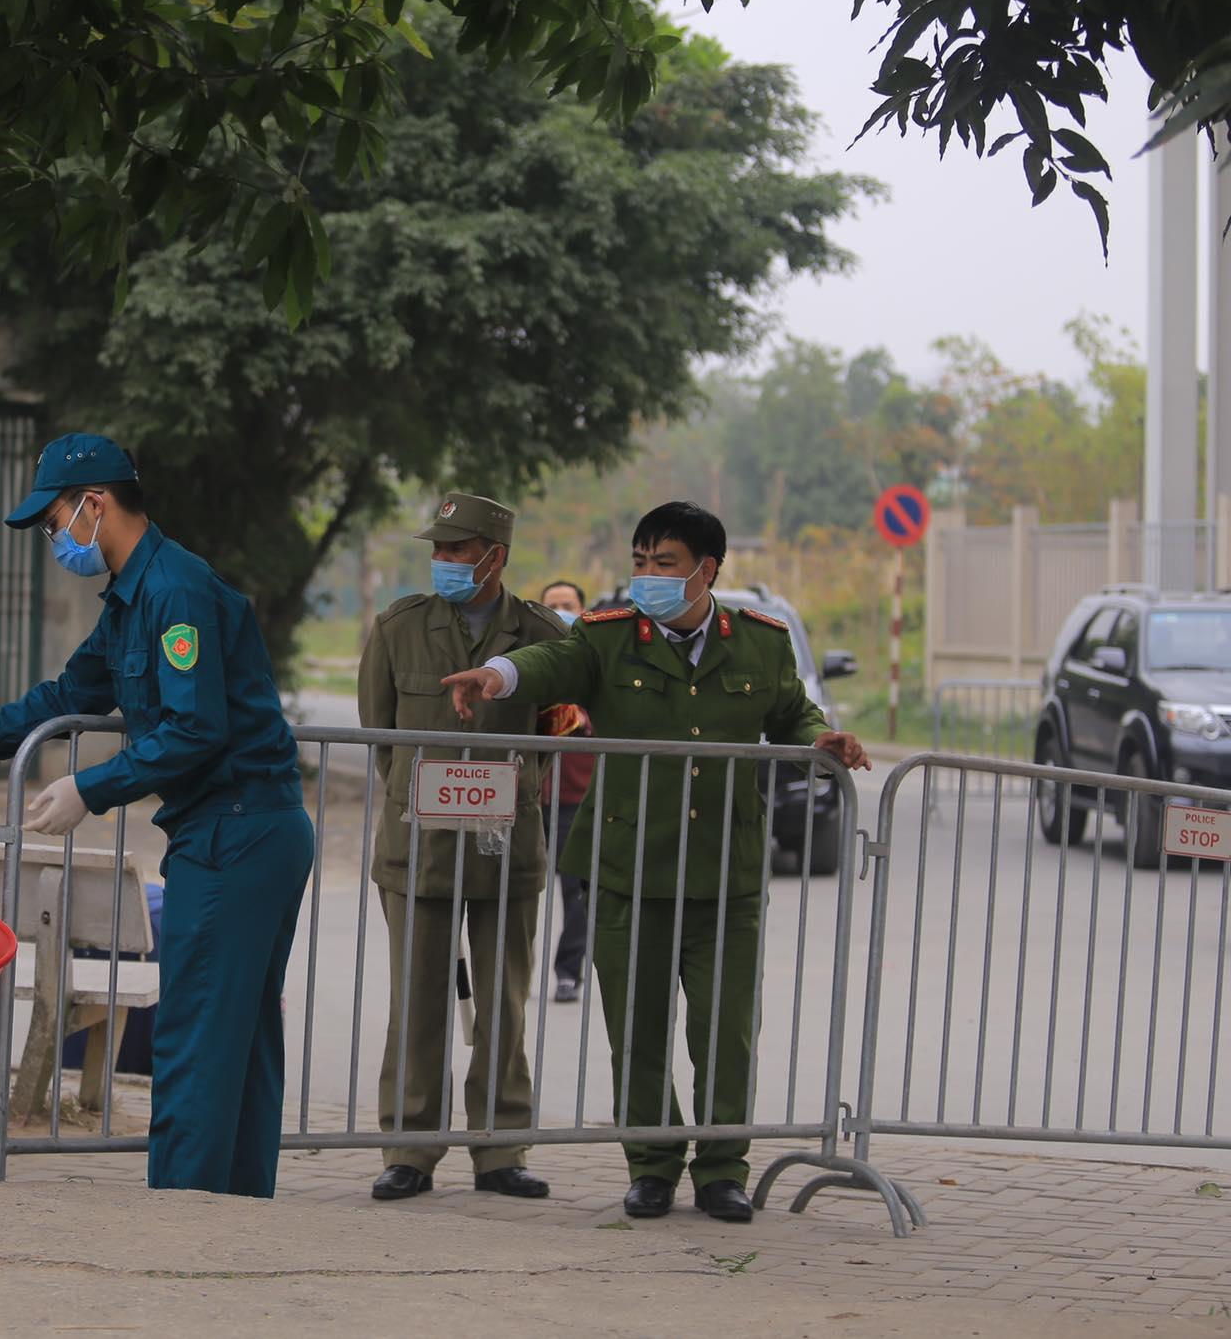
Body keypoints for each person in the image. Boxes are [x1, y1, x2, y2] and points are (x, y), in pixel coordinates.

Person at [0, 433, 312, 1199]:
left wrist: (90, 790)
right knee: (239, 1035)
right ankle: (237, 1209)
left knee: (196, 1036)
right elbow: (70, 695)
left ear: (95, 503)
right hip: (237, 830)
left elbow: (197, 730)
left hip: (237, 832)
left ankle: (181, 1213)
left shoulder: (174, 592)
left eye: (55, 520)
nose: (54, 539)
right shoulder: (133, 595)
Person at [441, 502, 870, 1224]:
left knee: (725, 1035)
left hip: (724, 876)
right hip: (626, 870)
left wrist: (823, 737)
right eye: (639, 562)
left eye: (663, 564)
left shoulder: (759, 644)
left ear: (706, 571)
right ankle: (651, 1166)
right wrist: (497, 674)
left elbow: (791, 710)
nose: (647, 577)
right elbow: (553, 662)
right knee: (636, 1033)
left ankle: (723, 1170)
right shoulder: (608, 639)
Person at [357, 493, 566, 1203]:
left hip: (508, 852)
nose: (443, 562)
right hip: (416, 851)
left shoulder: (543, 634)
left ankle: (499, 1148)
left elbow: (557, 733)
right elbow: (380, 735)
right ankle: (410, 1149)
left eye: (457, 550)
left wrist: (513, 791)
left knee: (504, 1005)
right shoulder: (400, 627)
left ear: (495, 556)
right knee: (417, 1004)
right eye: (438, 551)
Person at [537, 579, 596, 1005]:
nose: (561, 610)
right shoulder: (529, 658)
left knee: (578, 892)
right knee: (513, 889)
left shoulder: (596, 660)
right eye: (553, 605)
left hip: (578, 797)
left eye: (568, 604)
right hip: (526, 799)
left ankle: (567, 972)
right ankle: (509, 972)